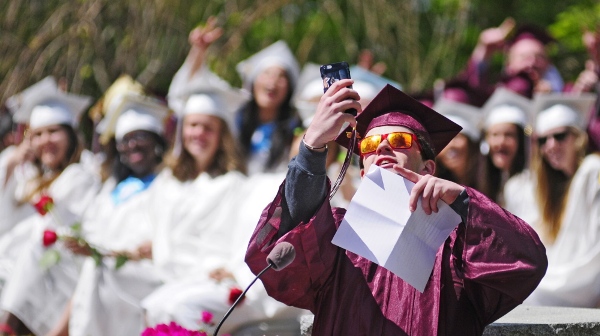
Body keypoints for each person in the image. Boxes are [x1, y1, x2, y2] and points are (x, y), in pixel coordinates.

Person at [245, 81, 547, 335]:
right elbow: (278, 247)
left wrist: (465, 203)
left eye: (400, 140)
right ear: (362, 171)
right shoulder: (334, 236)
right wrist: (312, 148)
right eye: (369, 145)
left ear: (428, 167)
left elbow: (526, 262)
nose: (383, 148)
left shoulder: (459, 243)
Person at [62, 92, 169, 336]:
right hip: (108, 266)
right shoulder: (113, 188)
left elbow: (160, 240)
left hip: (145, 270)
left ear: (156, 142)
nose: (132, 145)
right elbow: (91, 228)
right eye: (125, 140)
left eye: (140, 137)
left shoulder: (166, 184)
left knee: (97, 271)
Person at [0, 83, 100, 336]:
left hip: (56, 272)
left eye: (53, 131)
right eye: (38, 134)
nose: (45, 141)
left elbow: (54, 232)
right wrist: (12, 161)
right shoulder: (27, 178)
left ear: (71, 135)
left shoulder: (80, 175)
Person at [504, 93, 599, 307]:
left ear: (579, 137)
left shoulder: (592, 171)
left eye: (560, 136)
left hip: (585, 279)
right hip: (564, 277)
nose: (551, 145)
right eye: (544, 140)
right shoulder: (554, 188)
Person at [236, 40, 303, 175]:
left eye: (281, 76)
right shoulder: (235, 120)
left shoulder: (295, 129)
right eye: (266, 73)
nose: (272, 82)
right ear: (252, 82)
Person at [462, 18, 563, 95]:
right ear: (509, 63)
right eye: (524, 57)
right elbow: (473, 90)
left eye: (539, 57)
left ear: (549, 63)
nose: (531, 62)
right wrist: (484, 51)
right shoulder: (496, 94)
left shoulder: (562, 93)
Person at [477, 87, 532, 205]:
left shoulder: (530, 185)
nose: (501, 142)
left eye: (509, 135)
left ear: (521, 141)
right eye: (495, 135)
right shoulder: (486, 186)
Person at [432, 98, 482, 188]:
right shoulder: (437, 186)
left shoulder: (489, 182)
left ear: (471, 143)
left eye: (456, 137)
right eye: (444, 139)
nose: (450, 145)